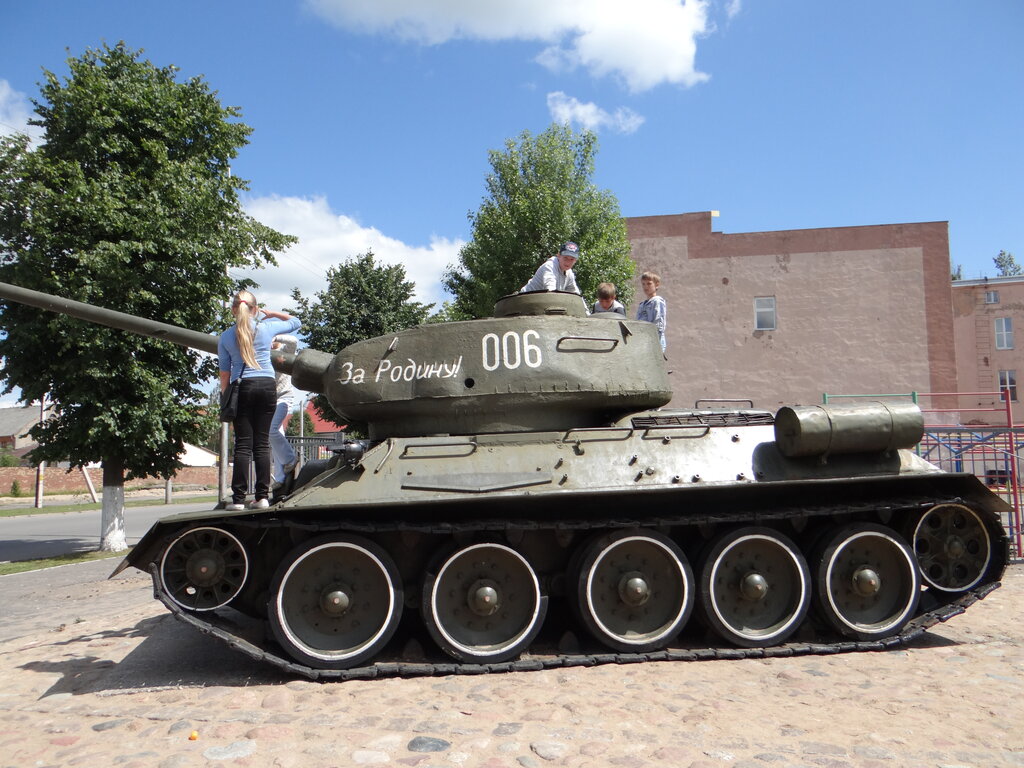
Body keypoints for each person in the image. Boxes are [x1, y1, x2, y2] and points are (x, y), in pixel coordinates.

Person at [218, 291, 301, 511]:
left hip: (242, 386)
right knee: (262, 443)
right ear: (255, 309)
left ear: (233, 309)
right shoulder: (265, 328)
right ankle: (263, 497)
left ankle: (238, 500)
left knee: (243, 445)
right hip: (266, 386)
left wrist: (226, 399)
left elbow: (225, 374)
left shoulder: (226, 336)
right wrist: (272, 313)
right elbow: (296, 322)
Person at [270, 334, 299, 490]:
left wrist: (276, 337)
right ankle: (280, 478)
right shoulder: (263, 353)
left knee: (272, 431)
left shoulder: (285, 351)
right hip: (269, 400)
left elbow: (294, 340)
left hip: (284, 397)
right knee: (275, 438)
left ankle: (291, 458)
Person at [635, 271, 667, 354]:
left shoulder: (657, 301)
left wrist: (653, 341)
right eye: (643, 284)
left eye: (649, 284)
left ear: (656, 285)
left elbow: (658, 325)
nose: (646, 287)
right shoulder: (642, 304)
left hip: (654, 341)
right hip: (643, 340)